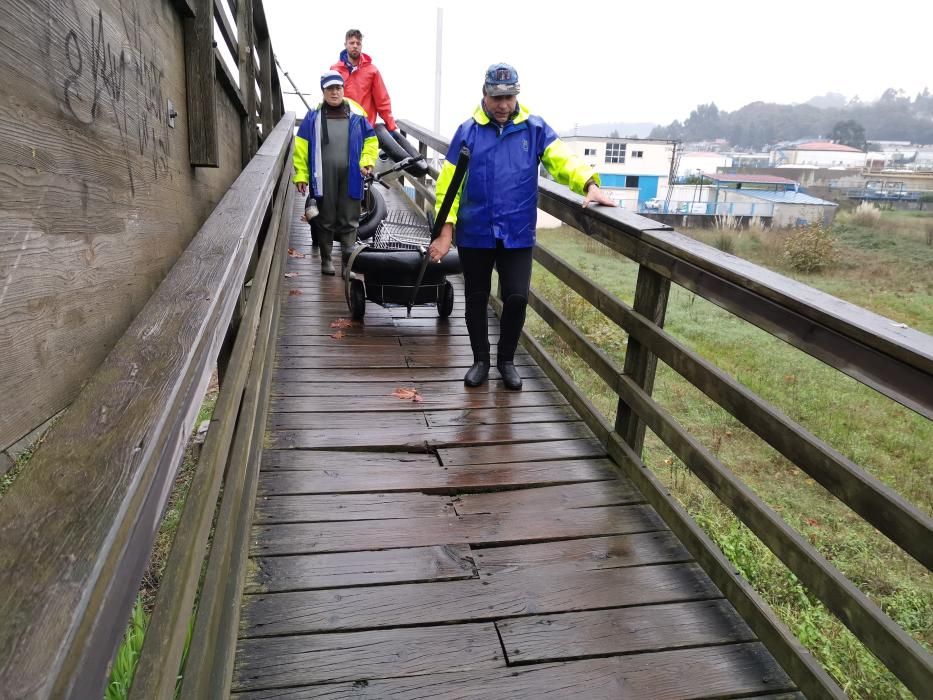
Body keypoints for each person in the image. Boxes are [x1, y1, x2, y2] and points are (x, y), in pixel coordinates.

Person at [428, 63, 616, 390]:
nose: (503, 105)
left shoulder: (535, 129)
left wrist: (589, 183)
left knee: (516, 297)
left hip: (517, 232)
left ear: (517, 95)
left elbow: (563, 161)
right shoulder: (468, 131)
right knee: (476, 297)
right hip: (476, 233)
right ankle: (481, 360)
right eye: (496, 97)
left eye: (509, 97)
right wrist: (446, 230)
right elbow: (448, 185)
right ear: (484, 95)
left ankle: (506, 360)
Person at [293, 70, 377, 275]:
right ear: (323, 91)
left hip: (352, 175)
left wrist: (367, 161)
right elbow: (301, 148)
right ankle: (326, 259)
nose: (334, 92)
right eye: (330, 88)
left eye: (338, 88)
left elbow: (371, 141)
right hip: (323, 175)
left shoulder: (357, 114)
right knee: (326, 217)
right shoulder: (313, 116)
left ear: (343, 89)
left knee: (350, 218)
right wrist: (301, 175)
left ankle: (347, 264)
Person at [330, 29, 398, 132]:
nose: (355, 46)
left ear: (361, 45)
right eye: (352, 43)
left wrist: (391, 126)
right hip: (341, 129)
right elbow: (328, 99)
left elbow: (382, 101)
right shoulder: (335, 70)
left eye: (358, 43)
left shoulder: (372, 71)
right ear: (345, 44)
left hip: (365, 129)